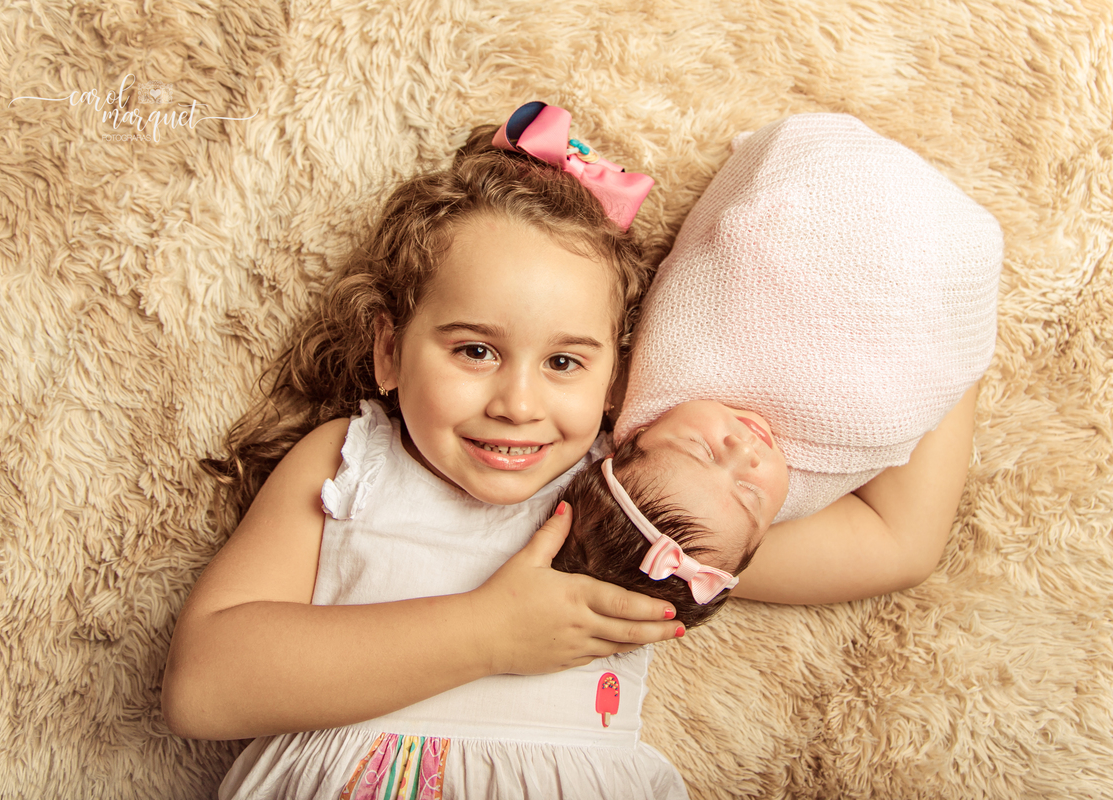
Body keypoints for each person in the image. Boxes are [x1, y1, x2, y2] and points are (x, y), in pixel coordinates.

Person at [162, 103, 689, 799]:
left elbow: (883, 541)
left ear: (616, 380)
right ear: (389, 351)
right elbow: (203, 686)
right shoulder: (353, 463)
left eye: (564, 363)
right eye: (475, 350)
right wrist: (487, 634)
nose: (518, 404)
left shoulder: (626, 493)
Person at [553, 113, 1003, 628]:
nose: (745, 451)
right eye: (748, 495)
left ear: (629, 436)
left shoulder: (641, 385)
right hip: (922, 274)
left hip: (817, 200)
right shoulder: (767, 506)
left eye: (702, 450)